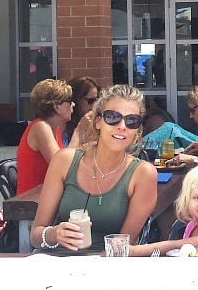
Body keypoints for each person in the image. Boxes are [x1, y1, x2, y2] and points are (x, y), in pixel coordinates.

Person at [29, 85, 157, 253]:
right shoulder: (64, 160)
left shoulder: (142, 174)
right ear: (98, 122)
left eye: (132, 120)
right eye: (113, 117)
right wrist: (54, 234)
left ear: (137, 130)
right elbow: (36, 235)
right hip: (55, 260)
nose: (122, 126)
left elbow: (123, 246)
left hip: (104, 264)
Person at [129, 164, 198, 256]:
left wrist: (132, 251)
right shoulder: (193, 225)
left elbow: (172, 246)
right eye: (197, 197)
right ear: (187, 201)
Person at [17, 79, 73, 194]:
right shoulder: (40, 127)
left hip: (46, 197)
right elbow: (61, 167)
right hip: (30, 203)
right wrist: (79, 133)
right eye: (69, 101)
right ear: (57, 106)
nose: (73, 104)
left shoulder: (54, 129)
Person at [63, 76, 100, 147]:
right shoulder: (65, 124)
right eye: (90, 101)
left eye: (96, 100)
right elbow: (66, 155)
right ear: (77, 100)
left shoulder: (97, 122)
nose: (94, 105)